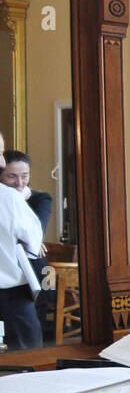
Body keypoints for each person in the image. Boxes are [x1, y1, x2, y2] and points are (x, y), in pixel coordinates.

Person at [0, 140, 45, 350]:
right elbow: (33, 243)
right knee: (28, 360)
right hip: (10, 294)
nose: (1, 162)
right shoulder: (8, 198)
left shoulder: (32, 197)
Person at [1, 150, 54, 321]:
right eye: (11, 176)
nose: (19, 182)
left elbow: (35, 236)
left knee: (34, 319)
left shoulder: (41, 198)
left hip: (35, 266)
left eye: (24, 176)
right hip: (7, 268)